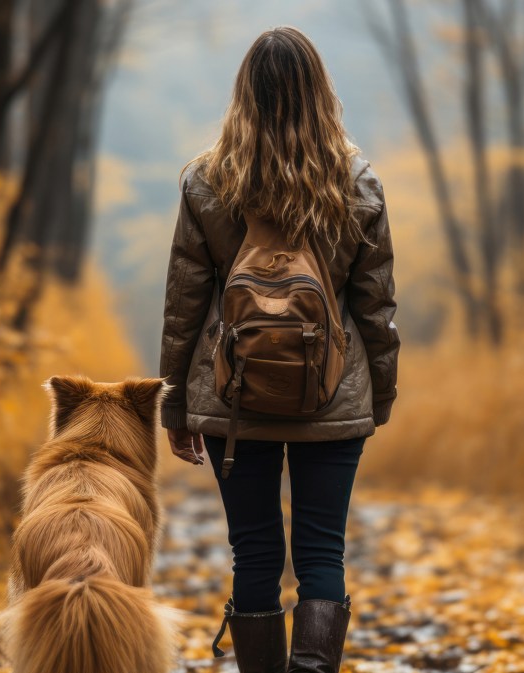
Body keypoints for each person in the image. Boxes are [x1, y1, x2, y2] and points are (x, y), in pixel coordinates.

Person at [159, 26, 399, 673]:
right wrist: (379, 393)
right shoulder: (357, 182)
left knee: (255, 552)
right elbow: (376, 307)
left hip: (236, 404)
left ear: (244, 96)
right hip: (333, 394)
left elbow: (183, 304)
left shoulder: (208, 182)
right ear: (320, 92)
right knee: (323, 550)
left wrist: (176, 403)